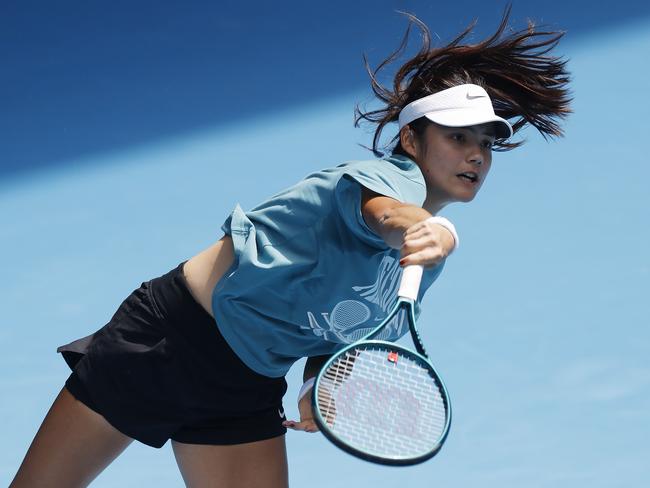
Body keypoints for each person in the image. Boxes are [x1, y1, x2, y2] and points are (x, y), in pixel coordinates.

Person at [10, 6, 570, 488]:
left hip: (245, 385)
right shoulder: (380, 184)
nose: (476, 156)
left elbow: (350, 325)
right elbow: (385, 215)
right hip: (164, 345)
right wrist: (428, 230)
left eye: (485, 144)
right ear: (409, 139)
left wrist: (315, 381)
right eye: (457, 138)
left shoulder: (417, 268)